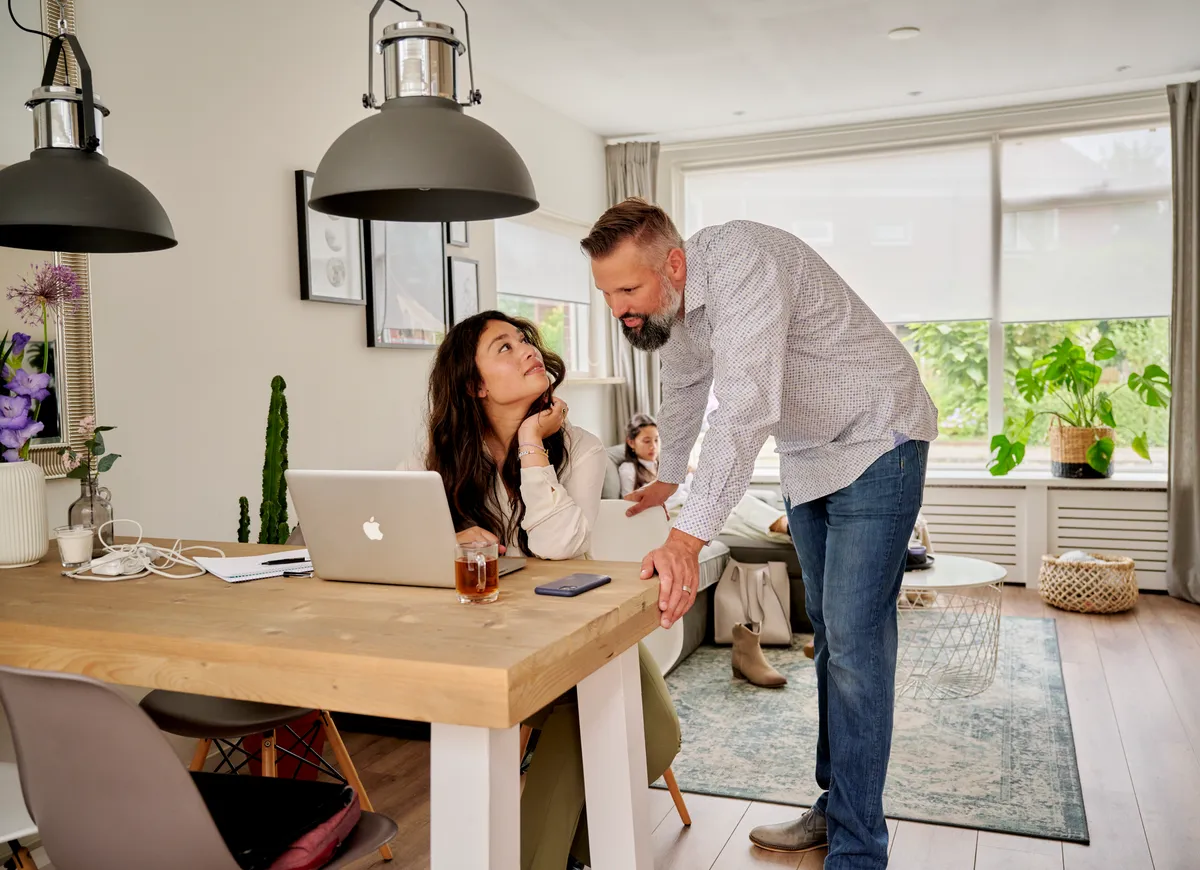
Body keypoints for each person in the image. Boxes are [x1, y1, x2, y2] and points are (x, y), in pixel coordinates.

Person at [581, 199, 937, 869]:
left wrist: (688, 536)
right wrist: (665, 477)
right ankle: (836, 810)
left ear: (675, 264)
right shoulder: (675, 312)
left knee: (857, 644)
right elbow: (685, 389)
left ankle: (860, 851)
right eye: (607, 294)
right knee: (831, 636)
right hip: (808, 456)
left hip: (876, 437)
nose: (619, 308)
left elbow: (742, 408)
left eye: (628, 289)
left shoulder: (743, 263)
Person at [423, 310, 681, 870]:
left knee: (658, 736)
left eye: (524, 340)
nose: (527, 350)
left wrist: (530, 445)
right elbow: (406, 529)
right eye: (503, 347)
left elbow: (561, 546)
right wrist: (452, 535)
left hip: (580, 632)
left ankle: (543, 855)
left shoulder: (579, 448)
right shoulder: (447, 456)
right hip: (489, 641)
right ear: (475, 385)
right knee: (611, 732)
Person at [619, 411, 791, 544]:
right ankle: (787, 531)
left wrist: (688, 476)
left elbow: (688, 491)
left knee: (734, 501)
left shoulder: (665, 466)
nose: (654, 447)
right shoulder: (629, 470)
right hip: (672, 515)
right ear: (631, 442)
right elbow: (631, 505)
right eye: (647, 441)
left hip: (690, 508)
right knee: (732, 521)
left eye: (657, 440)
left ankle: (786, 527)